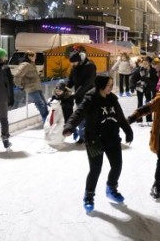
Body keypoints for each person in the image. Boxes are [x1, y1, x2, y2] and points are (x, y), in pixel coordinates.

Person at [62, 75, 133, 214]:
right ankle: (88, 197)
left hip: (112, 138)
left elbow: (120, 116)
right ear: (101, 86)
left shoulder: (112, 98)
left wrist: (128, 131)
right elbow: (79, 113)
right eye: (108, 85)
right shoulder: (91, 99)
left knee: (117, 165)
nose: (111, 88)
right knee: (95, 170)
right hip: (94, 140)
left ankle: (111, 189)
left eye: (112, 85)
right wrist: (69, 126)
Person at [66, 49, 97, 143]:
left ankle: (92, 136)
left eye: (74, 62)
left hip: (90, 96)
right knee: (80, 117)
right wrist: (66, 88)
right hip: (79, 96)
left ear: (79, 60)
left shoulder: (90, 65)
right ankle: (82, 137)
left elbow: (88, 83)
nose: (72, 65)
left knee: (90, 118)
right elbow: (71, 79)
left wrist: (76, 94)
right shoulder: (75, 66)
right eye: (71, 63)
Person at [13, 50, 49, 123]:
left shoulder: (31, 64)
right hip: (31, 88)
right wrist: (20, 85)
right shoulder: (25, 65)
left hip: (37, 87)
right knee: (40, 104)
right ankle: (46, 120)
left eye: (35, 56)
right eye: (33, 56)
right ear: (28, 56)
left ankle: (47, 119)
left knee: (44, 104)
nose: (34, 57)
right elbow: (17, 76)